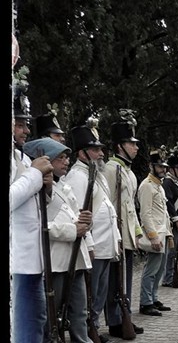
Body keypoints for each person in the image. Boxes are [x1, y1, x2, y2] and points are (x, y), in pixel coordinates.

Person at [23, 137, 93, 343]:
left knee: (79, 312)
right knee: (51, 316)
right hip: (55, 261)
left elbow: (74, 218)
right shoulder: (35, 190)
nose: (66, 162)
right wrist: (75, 230)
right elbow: (40, 226)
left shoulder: (64, 186)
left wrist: (86, 224)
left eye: (66, 157)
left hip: (74, 258)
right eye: (60, 158)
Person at [64, 122, 121, 343]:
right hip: (93, 244)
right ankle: (89, 328)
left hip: (105, 243)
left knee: (99, 290)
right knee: (90, 291)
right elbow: (78, 214)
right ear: (83, 152)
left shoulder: (94, 173)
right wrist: (89, 244)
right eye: (96, 149)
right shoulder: (77, 177)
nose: (101, 153)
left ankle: (94, 326)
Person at [10, 94, 54, 343]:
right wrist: (35, 176)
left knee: (35, 325)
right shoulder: (27, 164)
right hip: (17, 262)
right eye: (19, 124)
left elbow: (37, 206)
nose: (26, 130)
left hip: (32, 260)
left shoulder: (23, 158)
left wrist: (46, 187)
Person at [103, 117, 145, 338]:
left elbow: (131, 207)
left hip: (128, 234)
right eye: (132, 143)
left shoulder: (128, 172)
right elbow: (107, 204)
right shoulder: (111, 169)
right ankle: (115, 320)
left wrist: (137, 232)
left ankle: (125, 315)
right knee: (114, 281)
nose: (136, 147)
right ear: (120, 146)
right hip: (116, 234)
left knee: (126, 281)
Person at [137, 148, 172, 316]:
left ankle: (154, 297)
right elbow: (145, 214)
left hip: (163, 233)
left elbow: (164, 213)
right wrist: (153, 236)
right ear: (151, 166)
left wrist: (168, 234)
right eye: (160, 167)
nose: (163, 170)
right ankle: (145, 302)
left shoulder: (159, 186)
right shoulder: (146, 186)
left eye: (164, 167)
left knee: (159, 270)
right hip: (155, 235)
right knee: (151, 270)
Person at [161, 147, 178, 288]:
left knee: (176, 251)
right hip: (173, 224)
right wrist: (177, 220)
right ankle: (168, 277)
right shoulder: (167, 183)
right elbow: (169, 203)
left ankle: (173, 275)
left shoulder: (175, 183)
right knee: (171, 252)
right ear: (171, 169)